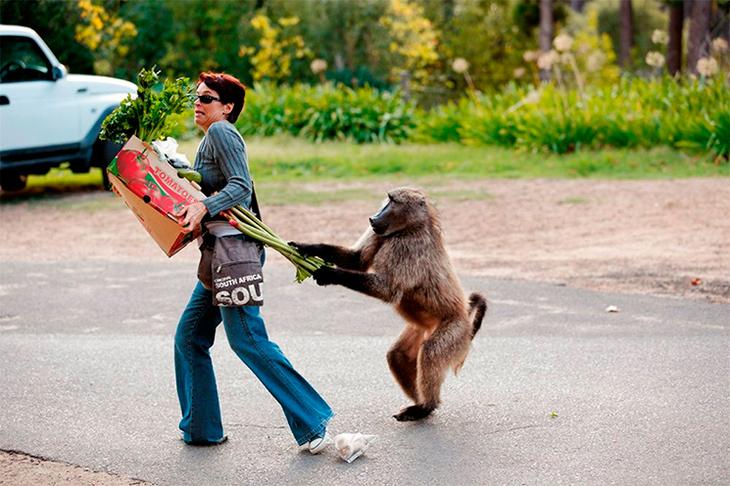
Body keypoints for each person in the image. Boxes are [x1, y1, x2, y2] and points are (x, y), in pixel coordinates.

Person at [174, 72, 333, 453]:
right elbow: (219, 183)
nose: (198, 104)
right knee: (190, 336)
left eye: (207, 99)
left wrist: (203, 205)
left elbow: (241, 187)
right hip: (219, 255)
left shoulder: (221, 132)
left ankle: (312, 420)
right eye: (196, 98)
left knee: (247, 340)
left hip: (234, 257)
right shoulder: (211, 138)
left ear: (227, 107)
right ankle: (200, 428)